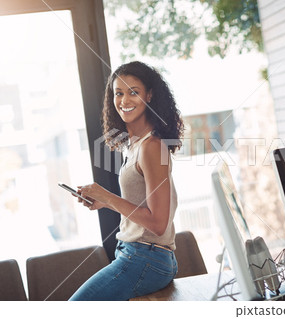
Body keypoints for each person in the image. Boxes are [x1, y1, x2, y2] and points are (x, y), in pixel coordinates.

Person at [69, 61, 184, 301]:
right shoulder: (134, 146)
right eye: (118, 93)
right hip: (137, 255)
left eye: (134, 92)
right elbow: (142, 208)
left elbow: (158, 223)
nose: (124, 100)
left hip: (146, 258)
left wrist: (108, 196)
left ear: (149, 96)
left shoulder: (152, 147)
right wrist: (105, 203)